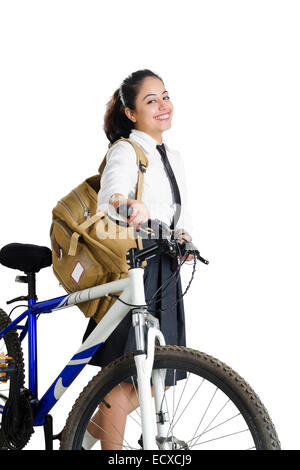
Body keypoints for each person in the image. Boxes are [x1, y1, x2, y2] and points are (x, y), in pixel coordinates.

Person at [82, 69, 195, 450]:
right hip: (135, 265)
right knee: (126, 376)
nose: (163, 105)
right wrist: (126, 204)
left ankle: (85, 430)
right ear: (131, 113)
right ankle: (99, 434)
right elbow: (110, 198)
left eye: (165, 96)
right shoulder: (126, 149)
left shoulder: (172, 156)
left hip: (165, 269)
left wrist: (185, 237)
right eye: (151, 100)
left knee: (155, 373)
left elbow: (175, 212)